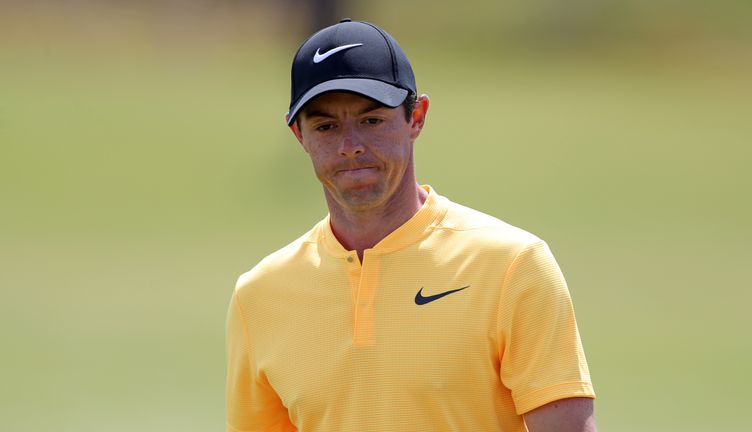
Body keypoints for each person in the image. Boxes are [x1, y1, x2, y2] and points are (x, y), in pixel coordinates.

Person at [226, 18, 596, 432]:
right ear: (299, 135)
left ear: (416, 116)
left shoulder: (513, 266)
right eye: (326, 126)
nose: (351, 147)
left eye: (371, 120)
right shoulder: (259, 296)